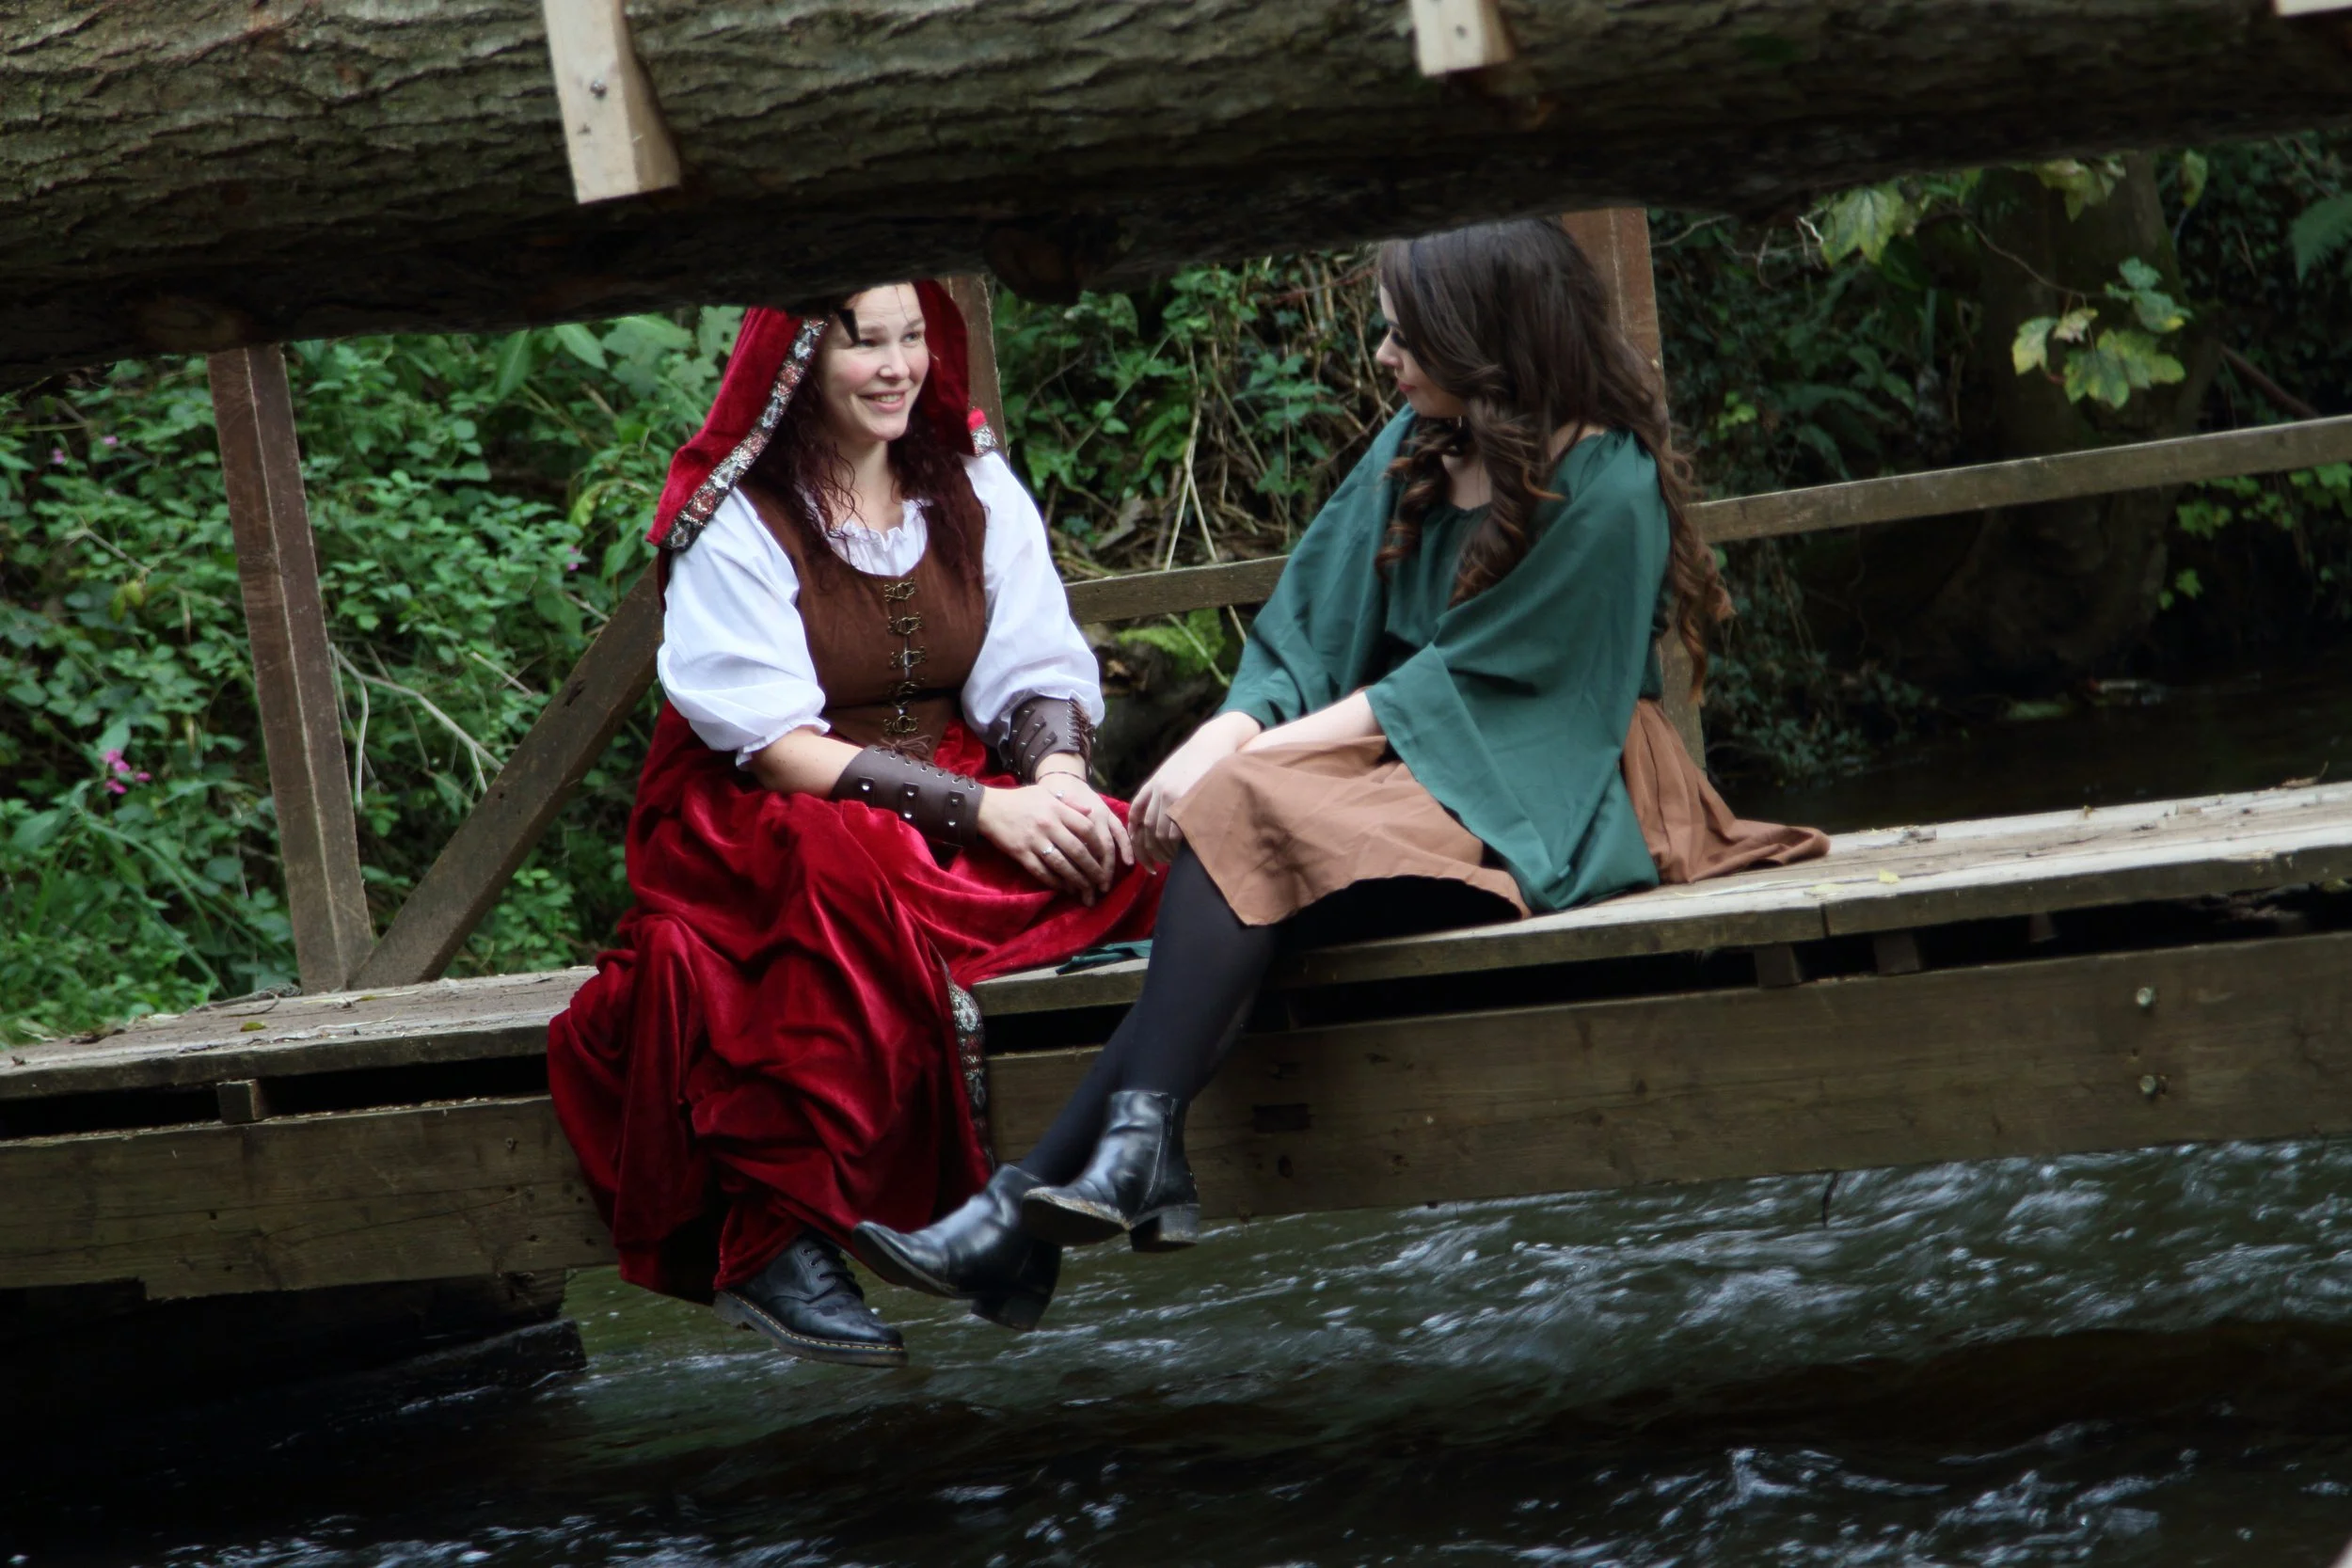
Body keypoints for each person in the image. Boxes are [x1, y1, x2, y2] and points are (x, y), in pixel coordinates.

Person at [851, 219, 1827, 1310]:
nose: (1381, 353)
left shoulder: (1610, 478)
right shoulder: (1420, 443)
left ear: (1482, 334)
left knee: (1243, 831)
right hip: (1389, 777)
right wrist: (1217, 738)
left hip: (1550, 778)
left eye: (1405, 332)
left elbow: (1482, 684)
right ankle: (1106, 1167)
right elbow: (1307, 632)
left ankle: (1033, 1206)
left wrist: (1247, 759)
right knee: (1241, 852)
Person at [548, 281, 1160, 1371]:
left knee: (1132, 849)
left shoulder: (967, 480)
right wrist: (987, 810)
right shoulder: (740, 514)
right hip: (764, 811)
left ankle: (1137, 1145)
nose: (896, 366)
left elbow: (1031, 662)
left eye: (911, 337)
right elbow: (776, 745)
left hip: (958, 784)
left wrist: (1059, 784)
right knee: (841, 866)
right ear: (795, 361)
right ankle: (796, 1234)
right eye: (862, 342)